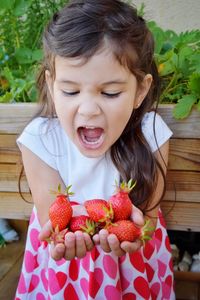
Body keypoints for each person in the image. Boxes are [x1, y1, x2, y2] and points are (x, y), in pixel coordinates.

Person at [15, 0, 175, 299]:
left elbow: (148, 219)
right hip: (64, 276)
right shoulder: (41, 141)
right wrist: (68, 231)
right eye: (71, 91)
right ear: (51, 85)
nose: (88, 110)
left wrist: (140, 230)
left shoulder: (151, 135)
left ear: (140, 90)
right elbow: (55, 224)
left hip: (133, 271)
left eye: (111, 92)